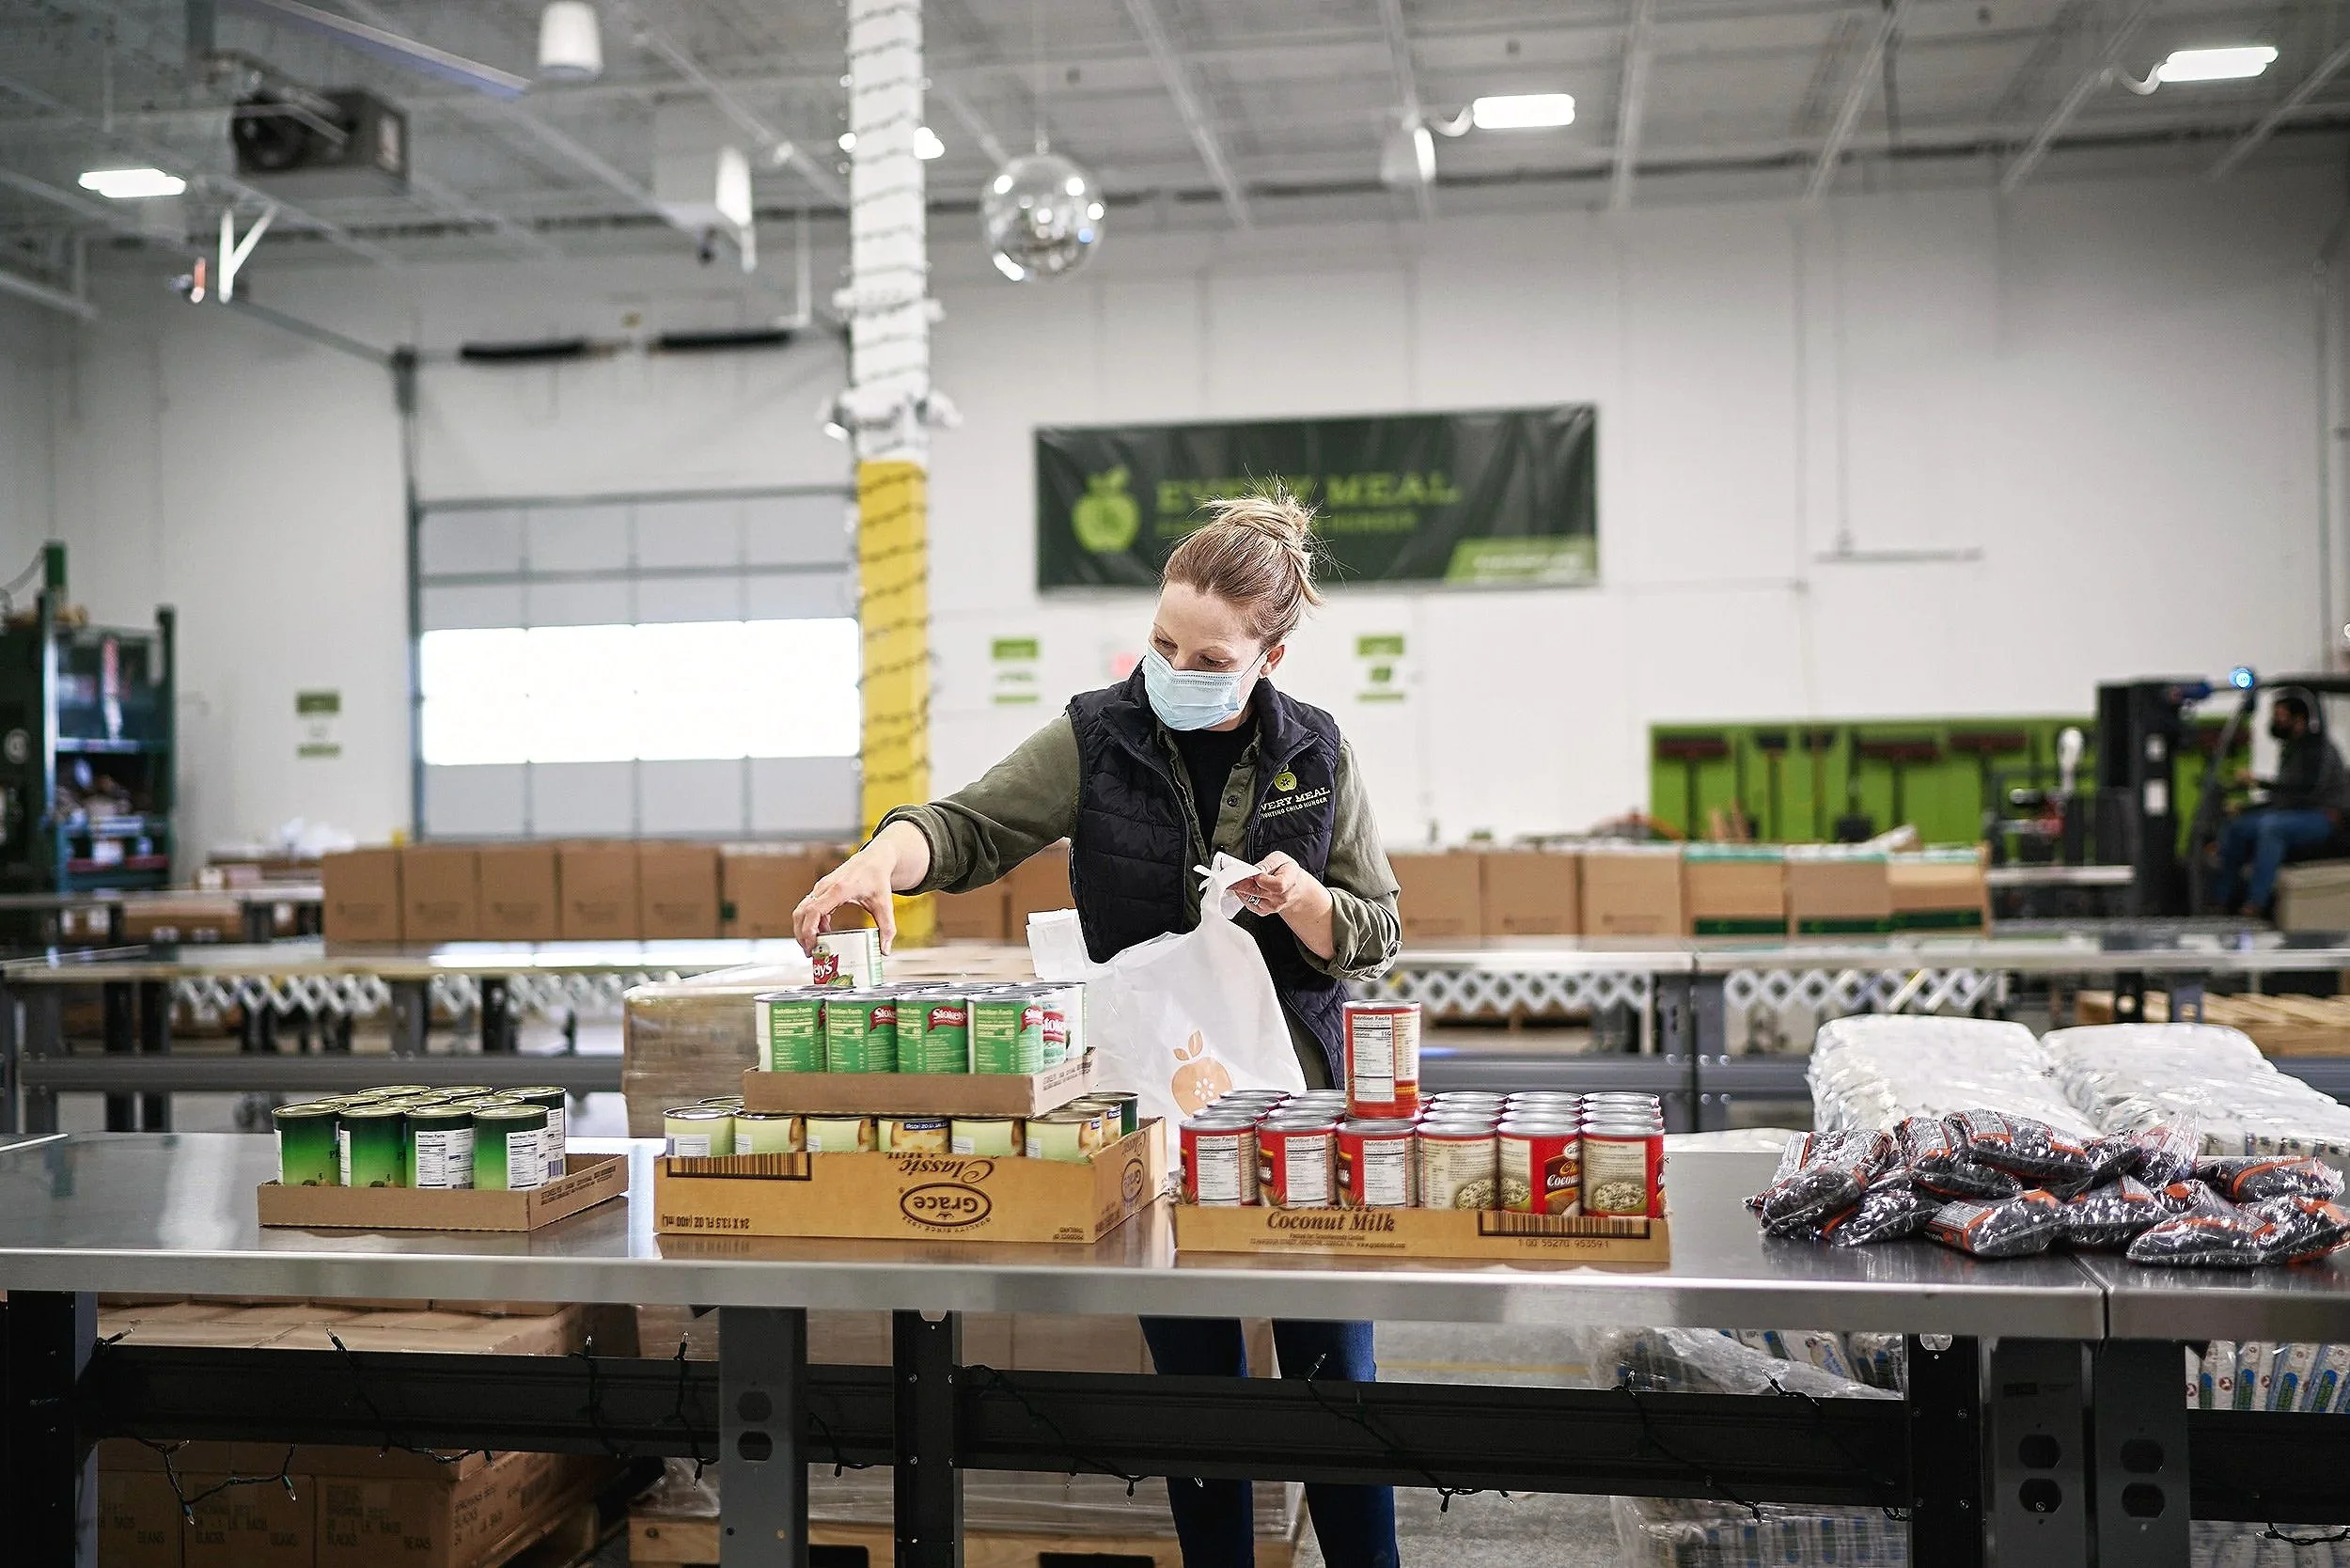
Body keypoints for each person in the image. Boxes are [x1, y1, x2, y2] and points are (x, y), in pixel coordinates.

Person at [792, 491, 1402, 1568]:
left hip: (1300, 1113)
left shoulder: (1319, 754)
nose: (1174, 667)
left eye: (1207, 655)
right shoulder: (1098, 736)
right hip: (1160, 1120)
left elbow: (1377, 926)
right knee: (1201, 1404)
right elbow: (965, 828)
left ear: (1271, 652)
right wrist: (875, 860)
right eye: (1162, 642)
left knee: (1335, 1396)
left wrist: (1307, 903)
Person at [2212, 692, 2350, 916]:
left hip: (2323, 816)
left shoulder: (2319, 749)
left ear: (2299, 719)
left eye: (2280, 716)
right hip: (2296, 813)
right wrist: (2246, 808)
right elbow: (2284, 797)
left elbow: (2305, 791)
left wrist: (2258, 781)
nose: (2275, 721)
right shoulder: (2292, 749)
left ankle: (2256, 903)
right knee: (2238, 826)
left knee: (2272, 828)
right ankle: (2222, 899)